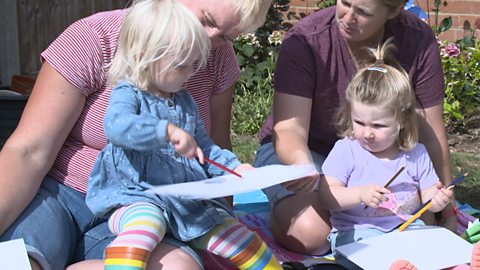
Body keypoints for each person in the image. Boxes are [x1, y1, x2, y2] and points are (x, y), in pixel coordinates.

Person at [0, 0, 271, 269]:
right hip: (61, 196)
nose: (208, 39)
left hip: (153, 206)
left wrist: (228, 201)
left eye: (225, 36)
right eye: (207, 20)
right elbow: (28, 152)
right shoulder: (95, 38)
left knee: (176, 266)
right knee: (19, 262)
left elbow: (214, 148)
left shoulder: (216, 60)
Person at [84, 2, 282, 269]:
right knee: (146, 227)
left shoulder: (184, 100)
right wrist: (164, 131)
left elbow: (206, 148)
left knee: (237, 236)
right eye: (182, 65)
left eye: (194, 64)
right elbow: (117, 127)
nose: (192, 72)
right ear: (147, 56)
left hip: (184, 201)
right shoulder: (128, 93)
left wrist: (235, 168)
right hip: (136, 196)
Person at [253, 0, 454, 255]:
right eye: (344, 3)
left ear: (393, 11)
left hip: (381, 152)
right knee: (312, 232)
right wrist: (302, 165)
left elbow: (431, 133)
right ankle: (277, 215)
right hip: (303, 150)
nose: (348, 17)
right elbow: (290, 129)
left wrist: (447, 210)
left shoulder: (417, 40)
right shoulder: (307, 39)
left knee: (419, 223)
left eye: (363, 12)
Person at [317, 39, 475, 270]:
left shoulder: (415, 154)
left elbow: (429, 195)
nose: (367, 133)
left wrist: (437, 201)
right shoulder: (347, 149)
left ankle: (460, 264)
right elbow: (327, 196)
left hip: (408, 228)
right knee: (368, 259)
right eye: (359, 121)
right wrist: (360, 194)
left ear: (401, 120)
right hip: (359, 233)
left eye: (378, 126)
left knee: (431, 246)